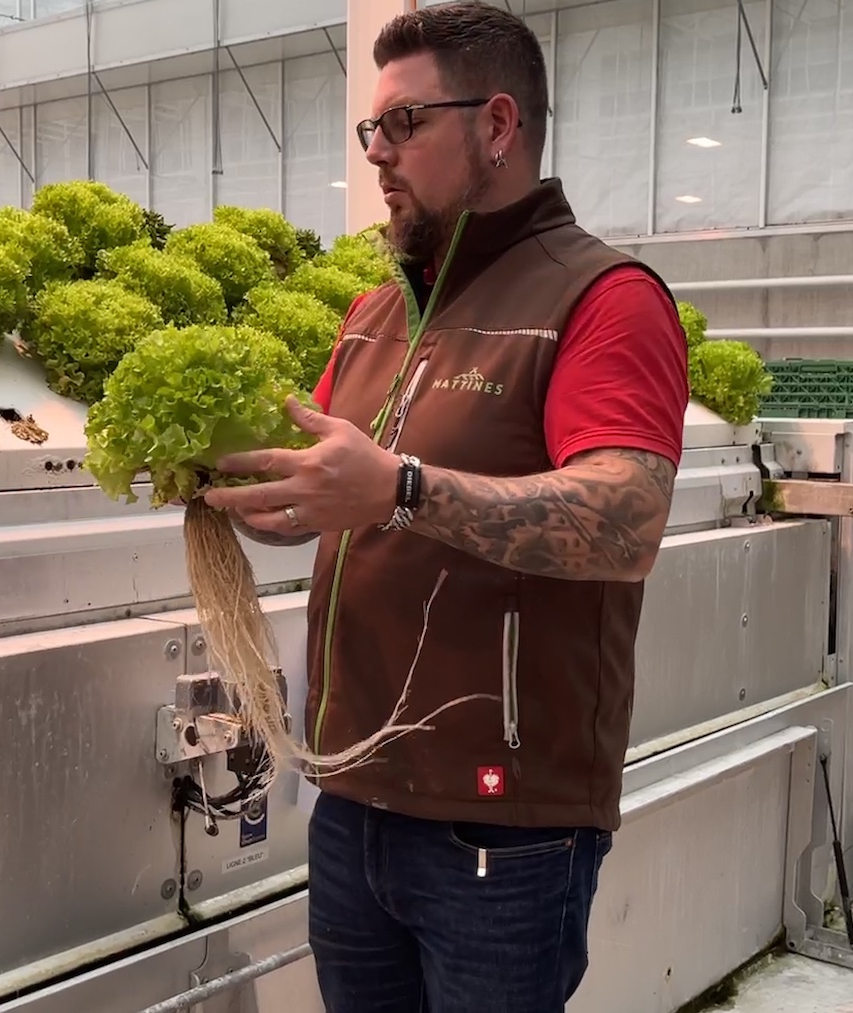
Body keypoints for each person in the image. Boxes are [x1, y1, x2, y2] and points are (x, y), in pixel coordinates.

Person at [198, 3, 690, 1010]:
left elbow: (627, 519)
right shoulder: (379, 311)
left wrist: (403, 487)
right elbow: (338, 500)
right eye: (370, 130)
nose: (378, 153)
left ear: (498, 126)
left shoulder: (600, 298)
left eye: (405, 125)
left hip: (499, 830)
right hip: (353, 800)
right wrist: (250, 496)